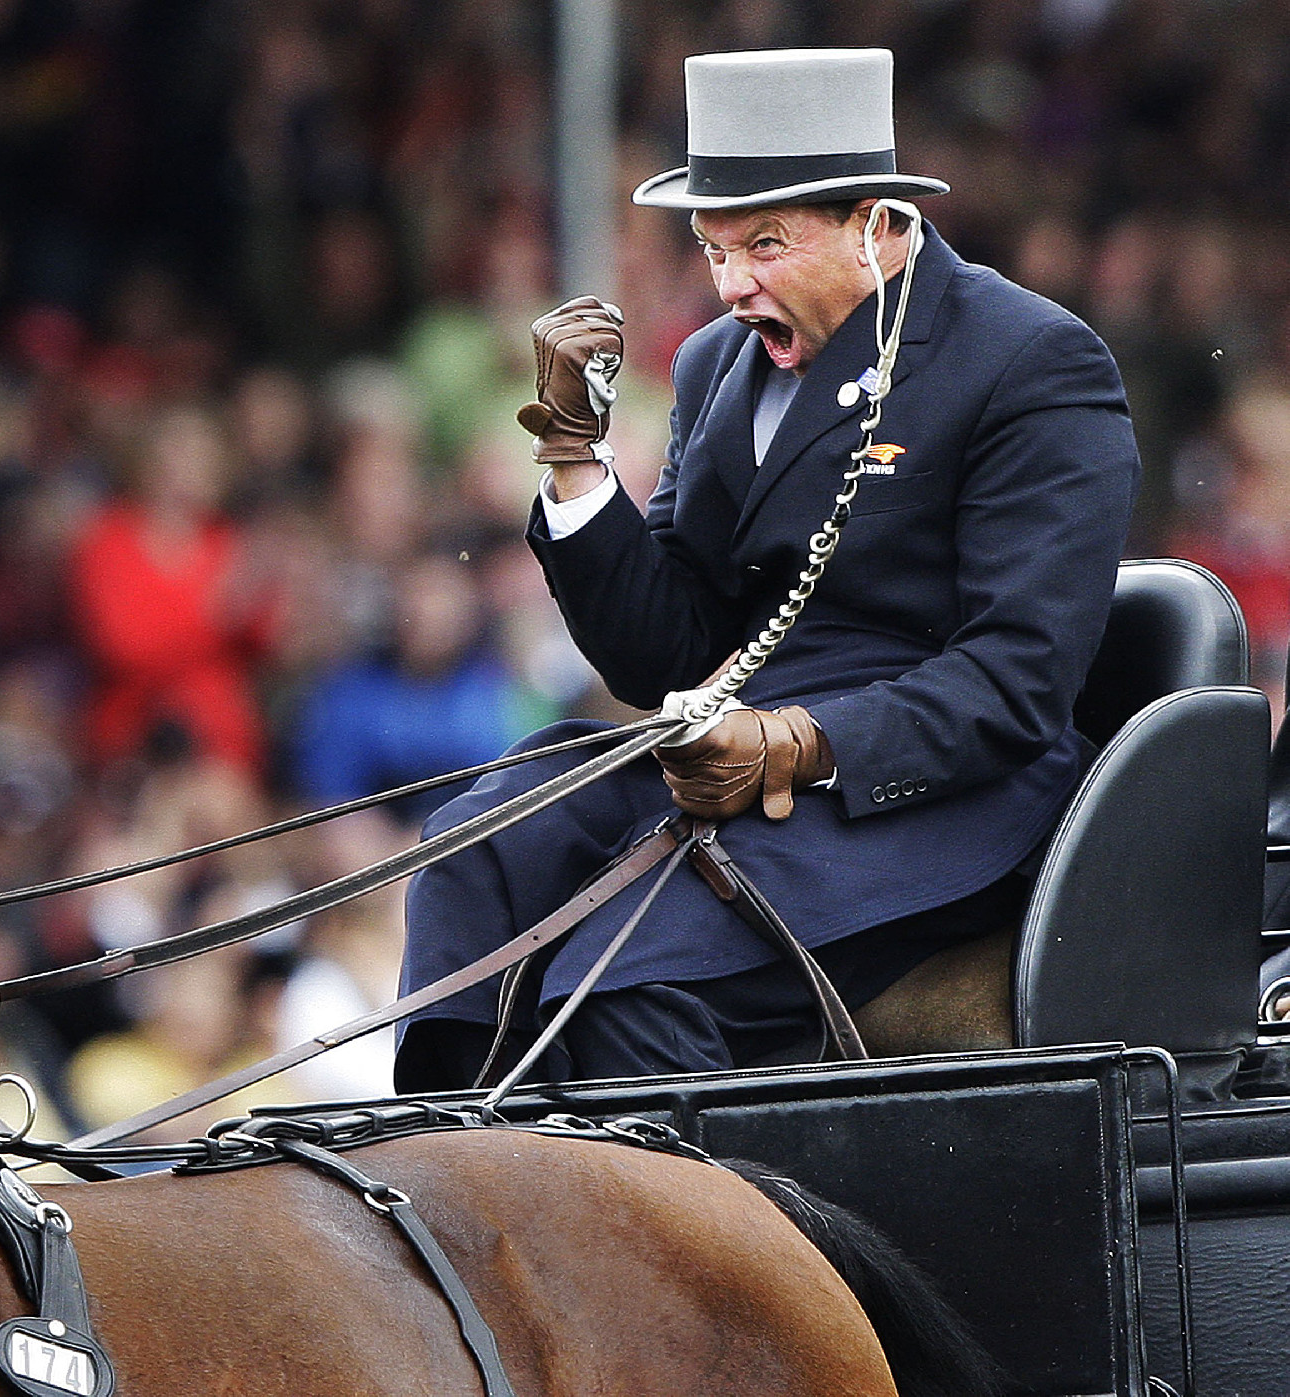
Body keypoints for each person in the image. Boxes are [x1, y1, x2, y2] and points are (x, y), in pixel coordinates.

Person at [395, 49, 1138, 1091]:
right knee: (474, 847)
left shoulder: (1028, 359)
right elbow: (668, 648)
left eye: (764, 244)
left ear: (873, 223)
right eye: (710, 250)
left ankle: (695, 1252)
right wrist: (573, 459)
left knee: (628, 983)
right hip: (725, 743)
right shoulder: (711, 364)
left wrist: (800, 741)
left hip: (935, 792)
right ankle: (457, 1185)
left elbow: (1016, 676)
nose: (731, 284)